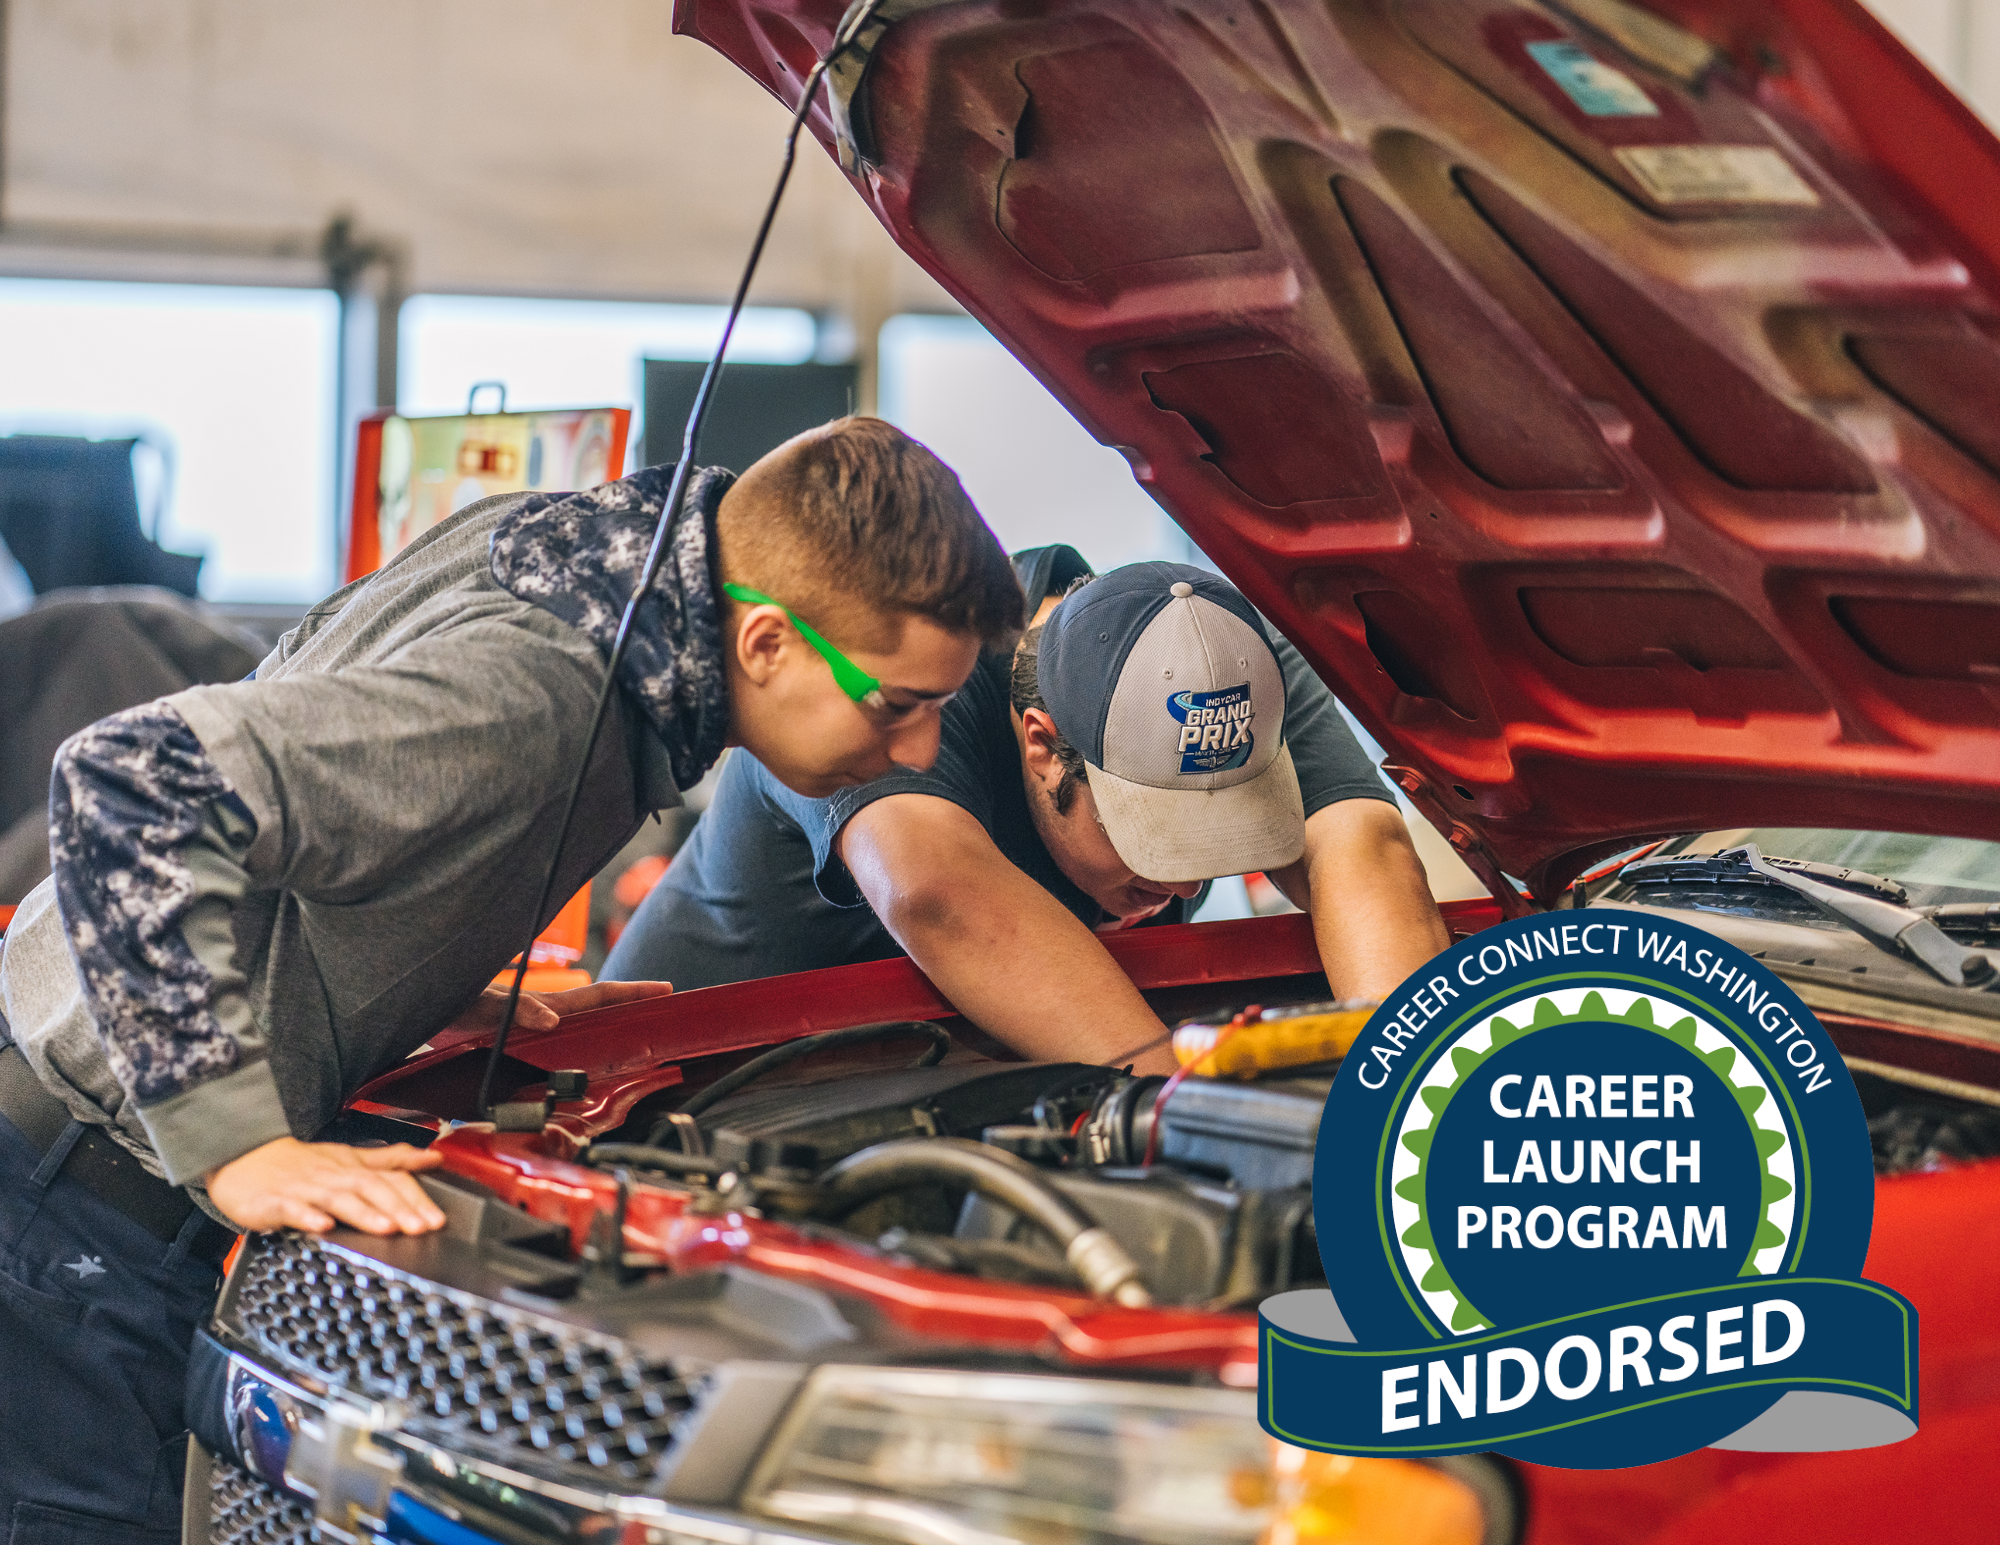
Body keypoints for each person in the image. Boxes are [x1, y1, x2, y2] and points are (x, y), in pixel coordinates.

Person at [0, 416, 1021, 1540]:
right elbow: (131, 785)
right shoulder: (539, 692)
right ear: (768, 642)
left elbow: (312, 802)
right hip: (76, 1216)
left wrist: (435, 989)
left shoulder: (584, 566)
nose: (924, 750)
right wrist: (237, 1143)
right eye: (896, 704)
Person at [604, 546, 1450, 1070]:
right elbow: (937, 892)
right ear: (1043, 745)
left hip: (992, 1072)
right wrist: (1181, 1108)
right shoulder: (901, 677)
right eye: (1151, 834)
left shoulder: (1220, 657)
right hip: (693, 1092)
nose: (1190, 877)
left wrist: (1410, 1104)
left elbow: (1362, 847)